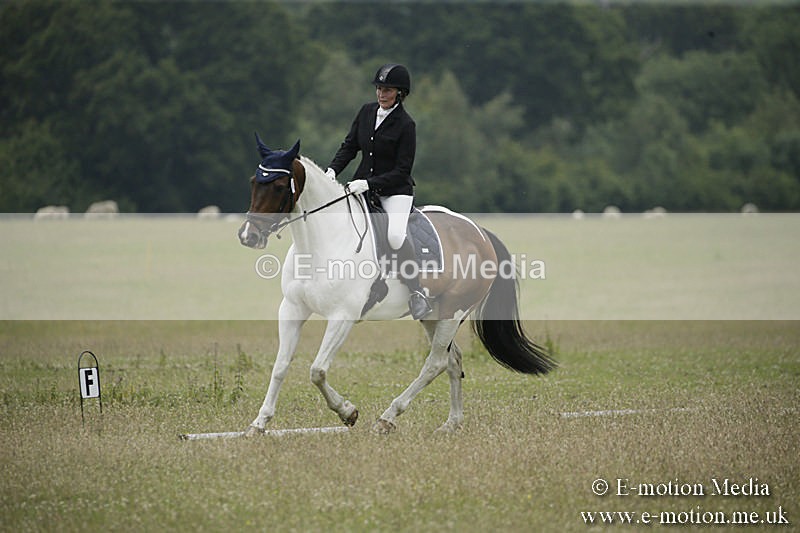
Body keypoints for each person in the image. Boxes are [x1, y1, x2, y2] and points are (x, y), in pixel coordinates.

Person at [325, 63, 432, 319]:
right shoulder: (366, 112)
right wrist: (331, 171)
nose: (381, 94)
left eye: (388, 90)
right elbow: (349, 147)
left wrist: (370, 184)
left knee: (394, 236)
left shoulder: (406, 125)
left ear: (400, 94)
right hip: (362, 185)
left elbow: (402, 170)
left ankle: (416, 291)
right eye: (379, 89)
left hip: (395, 191)